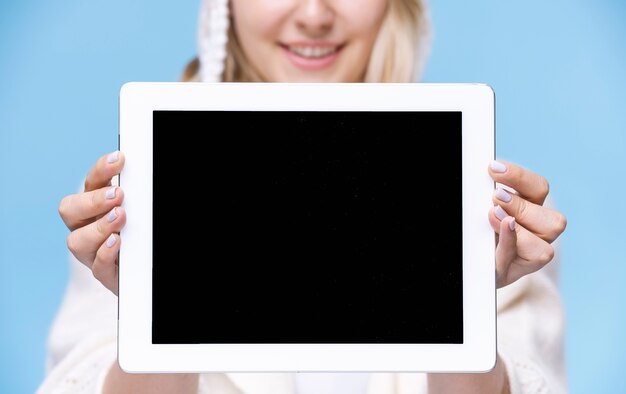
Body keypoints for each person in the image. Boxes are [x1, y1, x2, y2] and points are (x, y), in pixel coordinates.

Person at [37, 0, 568, 393]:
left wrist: (468, 297)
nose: (314, 14)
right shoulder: (141, 195)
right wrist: (157, 304)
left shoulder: (488, 209)